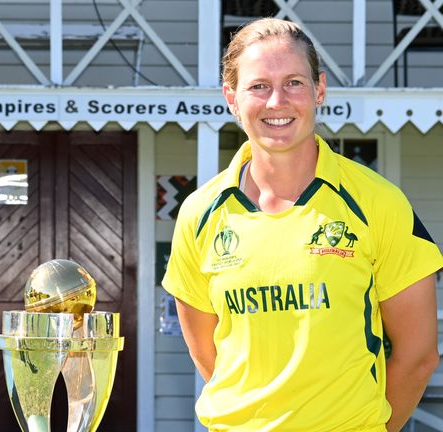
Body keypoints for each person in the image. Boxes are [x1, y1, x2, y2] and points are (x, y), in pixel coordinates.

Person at [162, 18, 443, 432]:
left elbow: (418, 355)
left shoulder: (379, 202)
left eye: (294, 82)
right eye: (258, 86)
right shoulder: (199, 212)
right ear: (232, 99)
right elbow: (209, 355)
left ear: (320, 90)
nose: (277, 100)